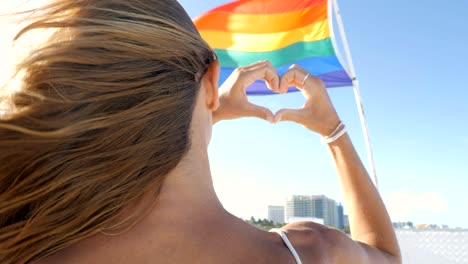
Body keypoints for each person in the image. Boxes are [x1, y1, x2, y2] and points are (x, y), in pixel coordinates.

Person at [0, 0, 401, 263]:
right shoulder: (309, 253)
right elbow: (386, 255)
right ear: (212, 77)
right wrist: (333, 132)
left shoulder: (23, 245)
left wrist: (209, 110)